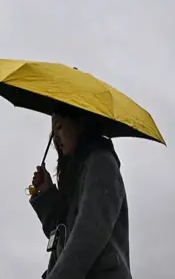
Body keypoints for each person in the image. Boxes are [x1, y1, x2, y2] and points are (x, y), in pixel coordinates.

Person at [30, 104, 131, 279]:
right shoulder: (77, 174)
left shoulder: (101, 162)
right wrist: (46, 193)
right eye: (53, 131)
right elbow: (64, 236)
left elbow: (88, 233)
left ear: (80, 122)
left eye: (59, 126)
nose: (56, 137)